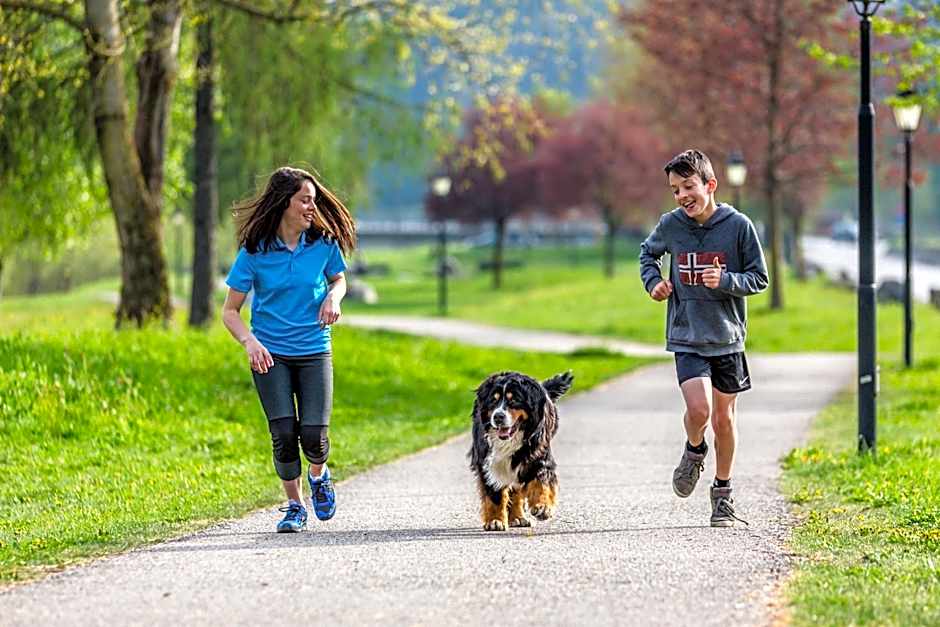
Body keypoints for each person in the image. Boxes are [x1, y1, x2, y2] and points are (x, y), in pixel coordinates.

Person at [221, 166, 357, 533]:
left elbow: (339, 280)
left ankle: (319, 474)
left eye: (313, 200)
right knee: (283, 435)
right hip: (271, 355)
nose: (312, 208)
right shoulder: (255, 251)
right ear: (285, 203)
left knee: (314, 437)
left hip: (314, 349)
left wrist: (334, 297)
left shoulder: (322, 244)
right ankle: (295, 505)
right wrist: (249, 341)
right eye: (305, 201)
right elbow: (230, 311)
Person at [639, 149, 768, 527]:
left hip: (727, 339)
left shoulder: (739, 226)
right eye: (675, 190)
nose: (681, 196)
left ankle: (723, 494)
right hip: (687, 333)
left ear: (710, 185)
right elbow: (648, 254)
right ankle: (695, 449)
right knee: (699, 411)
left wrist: (726, 281)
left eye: (688, 186)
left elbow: (759, 278)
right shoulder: (671, 224)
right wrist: (654, 283)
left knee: (724, 420)